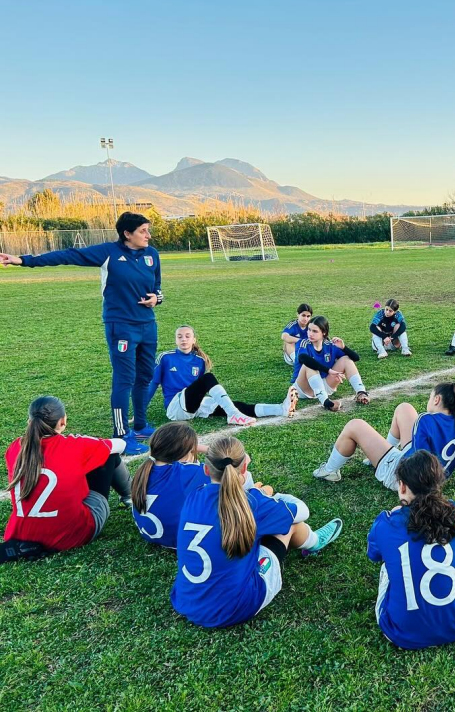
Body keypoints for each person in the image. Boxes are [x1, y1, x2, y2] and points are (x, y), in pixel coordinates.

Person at [1, 212, 163, 453]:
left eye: (148, 230)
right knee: (124, 379)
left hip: (148, 325)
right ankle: (121, 433)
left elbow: (158, 288)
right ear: (127, 234)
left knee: (145, 377)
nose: (148, 235)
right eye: (143, 231)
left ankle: (140, 424)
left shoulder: (152, 255)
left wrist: (156, 299)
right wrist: (23, 260)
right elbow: (69, 255)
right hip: (121, 326)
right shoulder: (108, 252)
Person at [170, 436, 343, 628]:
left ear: (205, 469)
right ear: (244, 468)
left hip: (187, 601)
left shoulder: (194, 496)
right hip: (234, 608)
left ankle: (307, 541)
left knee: (257, 528)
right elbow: (302, 511)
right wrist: (270, 496)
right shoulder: (253, 502)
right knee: (289, 524)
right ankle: (314, 542)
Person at [314, 382, 455, 492]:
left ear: (436, 399)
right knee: (404, 408)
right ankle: (376, 457)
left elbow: (417, 462)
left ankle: (330, 471)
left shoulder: (426, 420)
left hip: (406, 477)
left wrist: (408, 493)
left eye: (430, 397)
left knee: (354, 425)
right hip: (434, 477)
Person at [367, 450, 455, 649]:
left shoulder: (386, 523)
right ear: (439, 484)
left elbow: (374, 555)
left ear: (402, 486)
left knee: (388, 565)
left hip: (400, 633)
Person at [2, 396, 131, 562]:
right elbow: (120, 445)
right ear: (62, 422)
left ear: (30, 421)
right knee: (108, 454)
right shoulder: (74, 445)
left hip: (21, 534)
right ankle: (131, 498)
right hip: (72, 535)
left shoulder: (15, 447)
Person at [150, 325, 298, 426]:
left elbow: (199, 390)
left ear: (194, 340)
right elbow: (151, 385)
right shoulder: (165, 357)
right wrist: (139, 414)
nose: (183, 339)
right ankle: (233, 414)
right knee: (208, 378)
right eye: (180, 336)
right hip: (175, 407)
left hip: (194, 406)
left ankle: (280, 409)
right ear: (175, 340)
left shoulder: (199, 361)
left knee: (234, 405)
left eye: (187, 336)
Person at [291, 315, 369, 408]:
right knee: (308, 365)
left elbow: (356, 358)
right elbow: (303, 358)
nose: (310, 334)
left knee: (346, 359)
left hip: (324, 385)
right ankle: (326, 402)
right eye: (309, 329)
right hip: (303, 389)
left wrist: (344, 348)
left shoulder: (330, 345)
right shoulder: (303, 343)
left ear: (324, 333)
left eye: (315, 331)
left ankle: (361, 392)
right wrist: (329, 370)